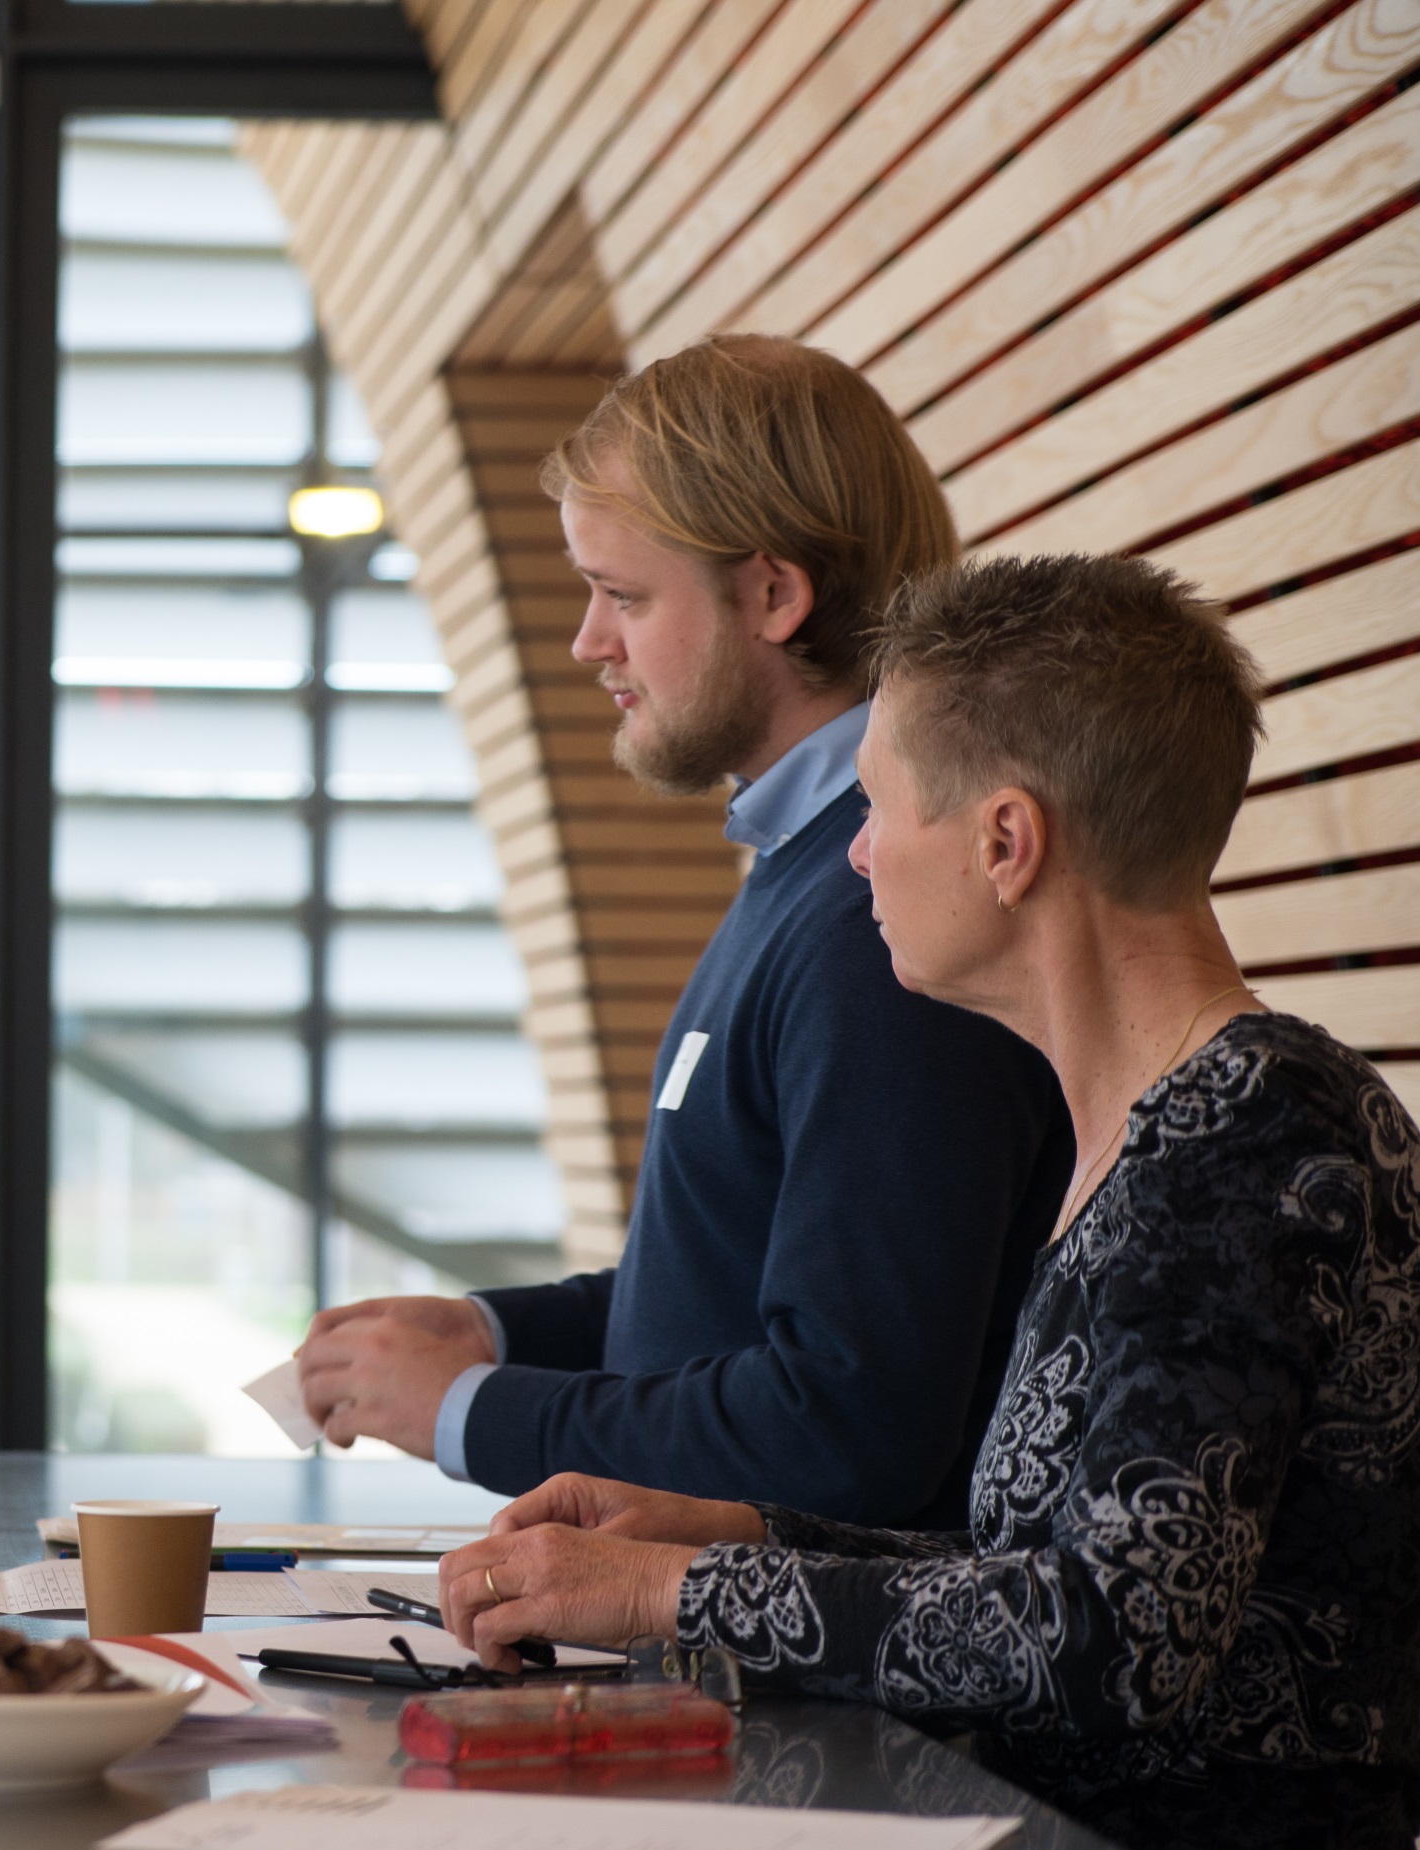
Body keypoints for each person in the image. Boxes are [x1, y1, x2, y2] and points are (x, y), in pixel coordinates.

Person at [438, 554, 1420, 1850]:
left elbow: (1114, 1634)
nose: (854, 855)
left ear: (1004, 843)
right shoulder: (1167, 1130)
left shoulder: (1250, 1137)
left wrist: (671, 1591)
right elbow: (1050, 1562)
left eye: (879, 808)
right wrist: (741, 1531)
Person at [297, 336, 1071, 1528]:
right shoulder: (810, 868)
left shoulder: (882, 912)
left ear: (772, 596)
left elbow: (843, 1427)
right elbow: (724, 1298)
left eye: (623, 595)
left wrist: (471, 1411)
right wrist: (493, 1335)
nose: (587, 642)